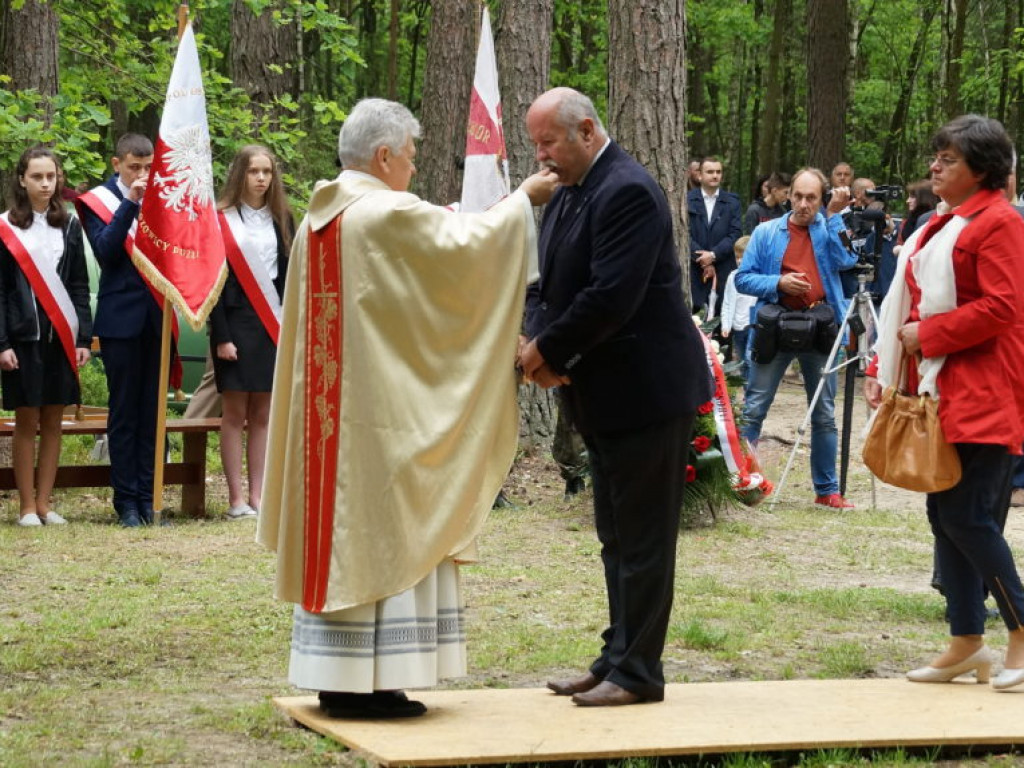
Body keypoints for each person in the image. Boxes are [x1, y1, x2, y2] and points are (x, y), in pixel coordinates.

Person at [257, 98, 557, 719]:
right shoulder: (384, 212)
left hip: (331, 419)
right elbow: (468, 248)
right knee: (387, 526)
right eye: (411, 156)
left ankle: (337, 675)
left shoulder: (320, 217)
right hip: (376, 418)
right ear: (384, 155)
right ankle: (378, 679)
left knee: (343, 531)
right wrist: (524, 199)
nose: (414, 168)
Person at [520, 87, 712, 707]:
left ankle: (638, 673)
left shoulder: (627, 189)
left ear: (586, 130)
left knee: (644, 539)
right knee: (616, 537)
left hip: (646, 392)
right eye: (536, 143)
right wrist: (534, 340)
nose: (541, 154)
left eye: (548, 141)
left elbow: (611, 296)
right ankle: (615, 657)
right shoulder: (569, 192)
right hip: (601, 392)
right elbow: (546, 284)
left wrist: (547, 351)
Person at [863, 115, 1024, 690]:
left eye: (949, 159)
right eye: (936, 156)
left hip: (986, 391)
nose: (934, 166)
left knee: (966, 516)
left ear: (981, 169)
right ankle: (966, 642)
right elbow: (909, 301)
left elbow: (1004, 306)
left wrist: (927, 335)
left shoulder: (1001, 222)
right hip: (940, 389)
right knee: (944, 516)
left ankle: (1020, 629)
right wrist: (885, 363)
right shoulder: (944, 222)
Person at [734, 168, 857, 509]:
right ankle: (740, 483)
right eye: (798, 197)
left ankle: (827, 490)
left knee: (824, 413)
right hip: (775, 325)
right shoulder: (766, 232)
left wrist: (833, 216)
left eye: (811, 198)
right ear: (788, 195)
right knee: (754, 408)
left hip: (821, 325)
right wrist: (778, 283)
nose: (804, 204)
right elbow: (743, 279)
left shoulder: (829, 227)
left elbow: (846, 260)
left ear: (821, 199)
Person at [0, 147, 92, 526]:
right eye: (37, 176)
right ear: (22, 180)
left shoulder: (69, 225)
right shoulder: (5, 227)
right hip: (23, 338)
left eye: (51, 176)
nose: (44, 183)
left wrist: (83, 338)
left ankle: (44, 503)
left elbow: (79, 285)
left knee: (54, 420)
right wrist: (2, 343)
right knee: (27, 420)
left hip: (61, 337)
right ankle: (25, 506)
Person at [76, 134, 161, 527]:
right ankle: (126, 501)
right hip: (120, 320)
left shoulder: (163, 198)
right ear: (116, 164)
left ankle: (148, 498)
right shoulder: (99, 201)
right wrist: (130, 202)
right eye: (134, 167)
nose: (141, 174)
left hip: (157, 316)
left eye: (148, 167)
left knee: (151, 412)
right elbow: (106, 251)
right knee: (125, 412)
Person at [211, 146, 293, 520]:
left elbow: (289, 276)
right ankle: (236, 498)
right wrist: (222, 336)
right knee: (234, 412)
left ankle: (258, 496)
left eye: (267, 171)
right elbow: (214, 282)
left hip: (272, 322)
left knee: (263, 412)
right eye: (253, 171)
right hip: (234, 322)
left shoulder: (283, 219)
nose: (261, 178)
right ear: (239, 174)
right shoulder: (222, 219)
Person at [687, 156, 743, 319]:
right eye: (710, 172)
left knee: (721, 318)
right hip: (694, 270)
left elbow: (735, 233)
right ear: (699, 175)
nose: (715, 175)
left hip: (723, 269)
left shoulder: (732, 202)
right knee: (694, 317)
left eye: (718, 172)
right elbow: (683, 234)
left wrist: (713, 255)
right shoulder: (687, 199)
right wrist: (702, 258)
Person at [719, 235, 756, 381]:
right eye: (737, 257)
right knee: (742, 361)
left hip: (753, 326)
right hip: (738, 326)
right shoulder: (732, 277)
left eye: (743, 257)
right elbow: (727, 302)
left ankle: (752, 389)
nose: (739, 261)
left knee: (750, 359)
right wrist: (726, 324)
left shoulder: (758, 276)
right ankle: (747, 389)